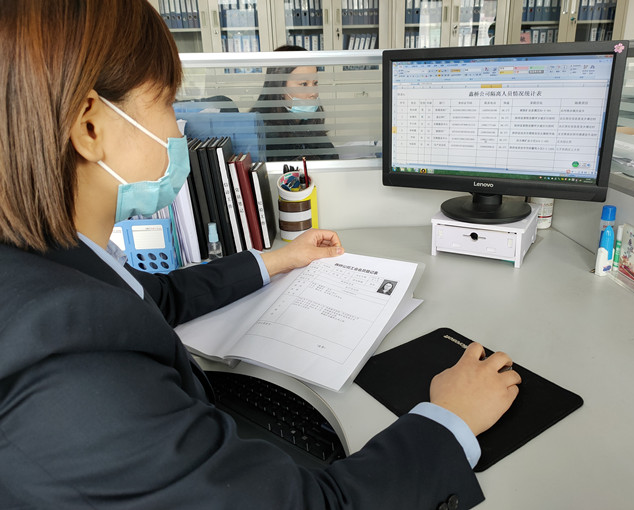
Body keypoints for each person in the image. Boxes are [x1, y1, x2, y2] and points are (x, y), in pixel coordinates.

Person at [0, 2, 521, 508]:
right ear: (90, 127)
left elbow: (156, 297)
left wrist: (279, 259)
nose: (178, 130)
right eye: (168, 102)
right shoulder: (72, 367)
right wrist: (449, 420)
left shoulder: (49, 262)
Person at [251, 45, 339, 162]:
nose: (313, 93)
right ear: (280, 88)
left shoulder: (307, 122)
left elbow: (331, 157)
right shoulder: (263, 131)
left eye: (315, 83)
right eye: (304, 84)